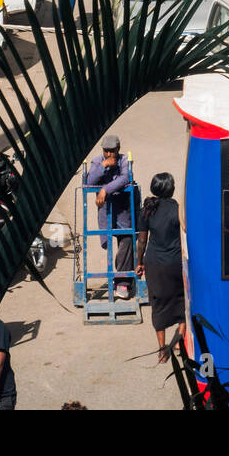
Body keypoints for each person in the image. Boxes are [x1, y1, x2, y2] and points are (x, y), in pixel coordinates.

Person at [137, 172, 185, 363]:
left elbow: (142, 241)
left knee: (158, 304)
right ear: (171, 189)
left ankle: (161, 349)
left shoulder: (147, 209)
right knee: (182, 300)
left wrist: (139, 262)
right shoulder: (178, 209)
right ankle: (179, 341)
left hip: (154, 264)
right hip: (175, 264)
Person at [84, 134, 136, 299]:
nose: (108, 155)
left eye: (111, 151)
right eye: (106, 151)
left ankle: (122, 282)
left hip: (122, 211)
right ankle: (120, 275)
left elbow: (125, 177)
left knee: (126, 240)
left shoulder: (124, 161)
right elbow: (89, 180)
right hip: (106, 212)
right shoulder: (97, 161)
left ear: (117, 150)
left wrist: (105, 189)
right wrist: (103, 166)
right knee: (107, 243)